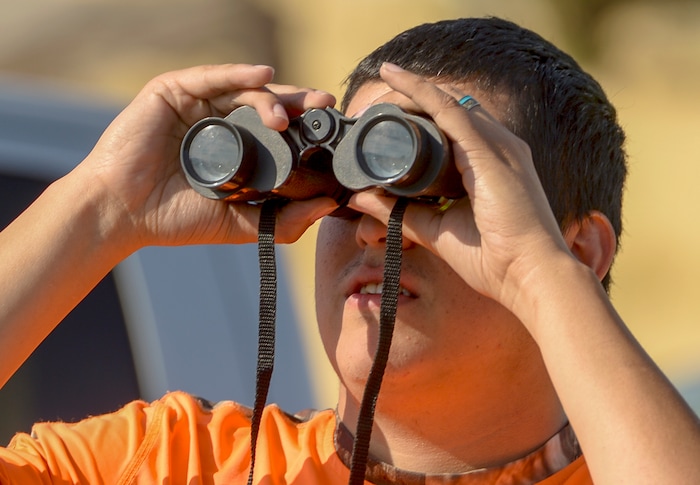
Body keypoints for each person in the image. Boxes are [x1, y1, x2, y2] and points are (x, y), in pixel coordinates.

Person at [0, 16, 699, 484]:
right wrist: (99, 205)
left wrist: (539, 273)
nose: (372, 225)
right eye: (344, 185)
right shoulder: (173, 461)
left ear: (582, 250)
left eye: (433, 188)